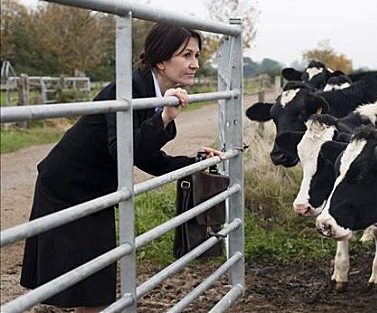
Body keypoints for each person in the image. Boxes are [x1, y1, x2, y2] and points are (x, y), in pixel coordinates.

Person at [20, 22, 225, 312]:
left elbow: (147, 157)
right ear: (162, 60)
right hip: (68, 189)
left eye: (196, 55)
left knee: (95, 287)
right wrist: (164, 118)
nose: (195, 64)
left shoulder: (154, 92)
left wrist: (196, 162)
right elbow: (123, 151)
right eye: (187, 55)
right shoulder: (127, 89)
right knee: (92, 291)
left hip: (95, 192)